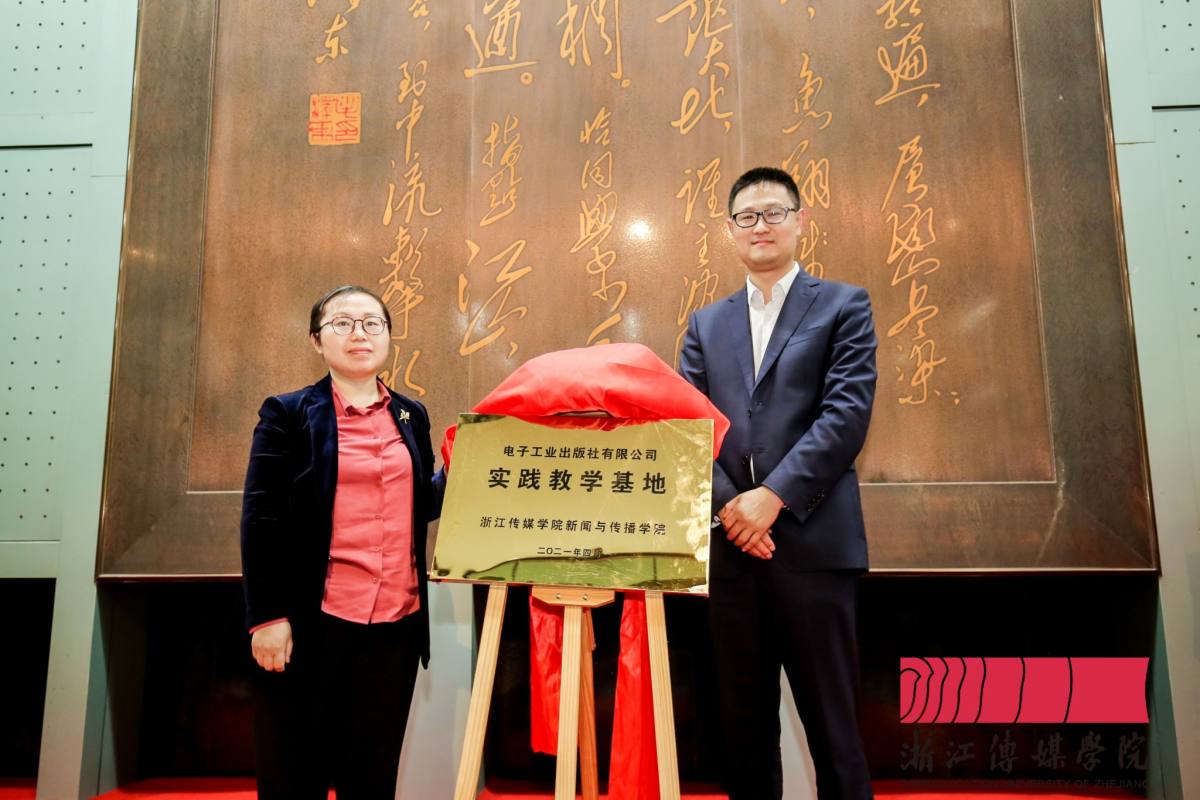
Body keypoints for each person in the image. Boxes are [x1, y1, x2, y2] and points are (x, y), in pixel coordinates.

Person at [679, 167, 877, 799]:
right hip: (732, 554)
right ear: (730, 229)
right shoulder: (706, 324)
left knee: (835, 733)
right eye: (747, 216)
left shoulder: (844, 305)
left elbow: (845, 415)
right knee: (742, 735)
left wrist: (773, 497)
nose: (760, 226)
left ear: (799, 221)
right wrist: (732, 510)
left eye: (773, 213)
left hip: (814, 546)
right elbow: (688, 426)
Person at [240, 285, 444, 800]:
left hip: (395, 627)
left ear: (388, 336)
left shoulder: (411, 414)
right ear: (317, 340)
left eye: (373, 323)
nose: (360, 334)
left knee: (371, 779)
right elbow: (261, 518)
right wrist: (266, 616)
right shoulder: (287, 414)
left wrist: (462, 470)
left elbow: (420, 504)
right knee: (294, 777)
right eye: (343, 324)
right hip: (313, 623)